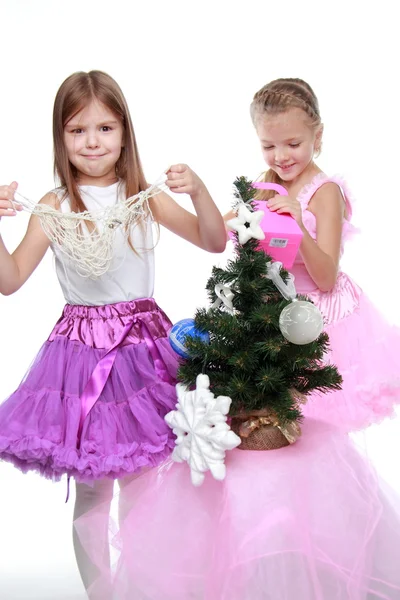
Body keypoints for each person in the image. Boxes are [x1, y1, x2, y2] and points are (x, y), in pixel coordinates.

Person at [72, 78, 400, 600]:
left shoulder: (326, 191)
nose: (282, 155)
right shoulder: (261, 185)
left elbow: (328, 272)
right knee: (255, 446)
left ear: (317, 135)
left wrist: (301, 225)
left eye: (293, 143)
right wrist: (163, 197)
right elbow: (215, 233)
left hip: (317, 323)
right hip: (265, 327)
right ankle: (256, 564)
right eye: (269, 145)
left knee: (309, 446)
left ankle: (319, 561)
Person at [0, 70, 227, 598]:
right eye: (77, 131)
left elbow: (212, 241)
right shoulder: (54, 207)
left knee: (143, 487)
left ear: (124, 133)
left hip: (143, 350)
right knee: (92, 492)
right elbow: (9, 281)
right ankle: (101, 593)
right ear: (60, 138)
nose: (92, 142)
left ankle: (145, 586)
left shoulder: (143, 198)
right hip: (80, 355)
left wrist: (200, 191)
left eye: (104, 128)